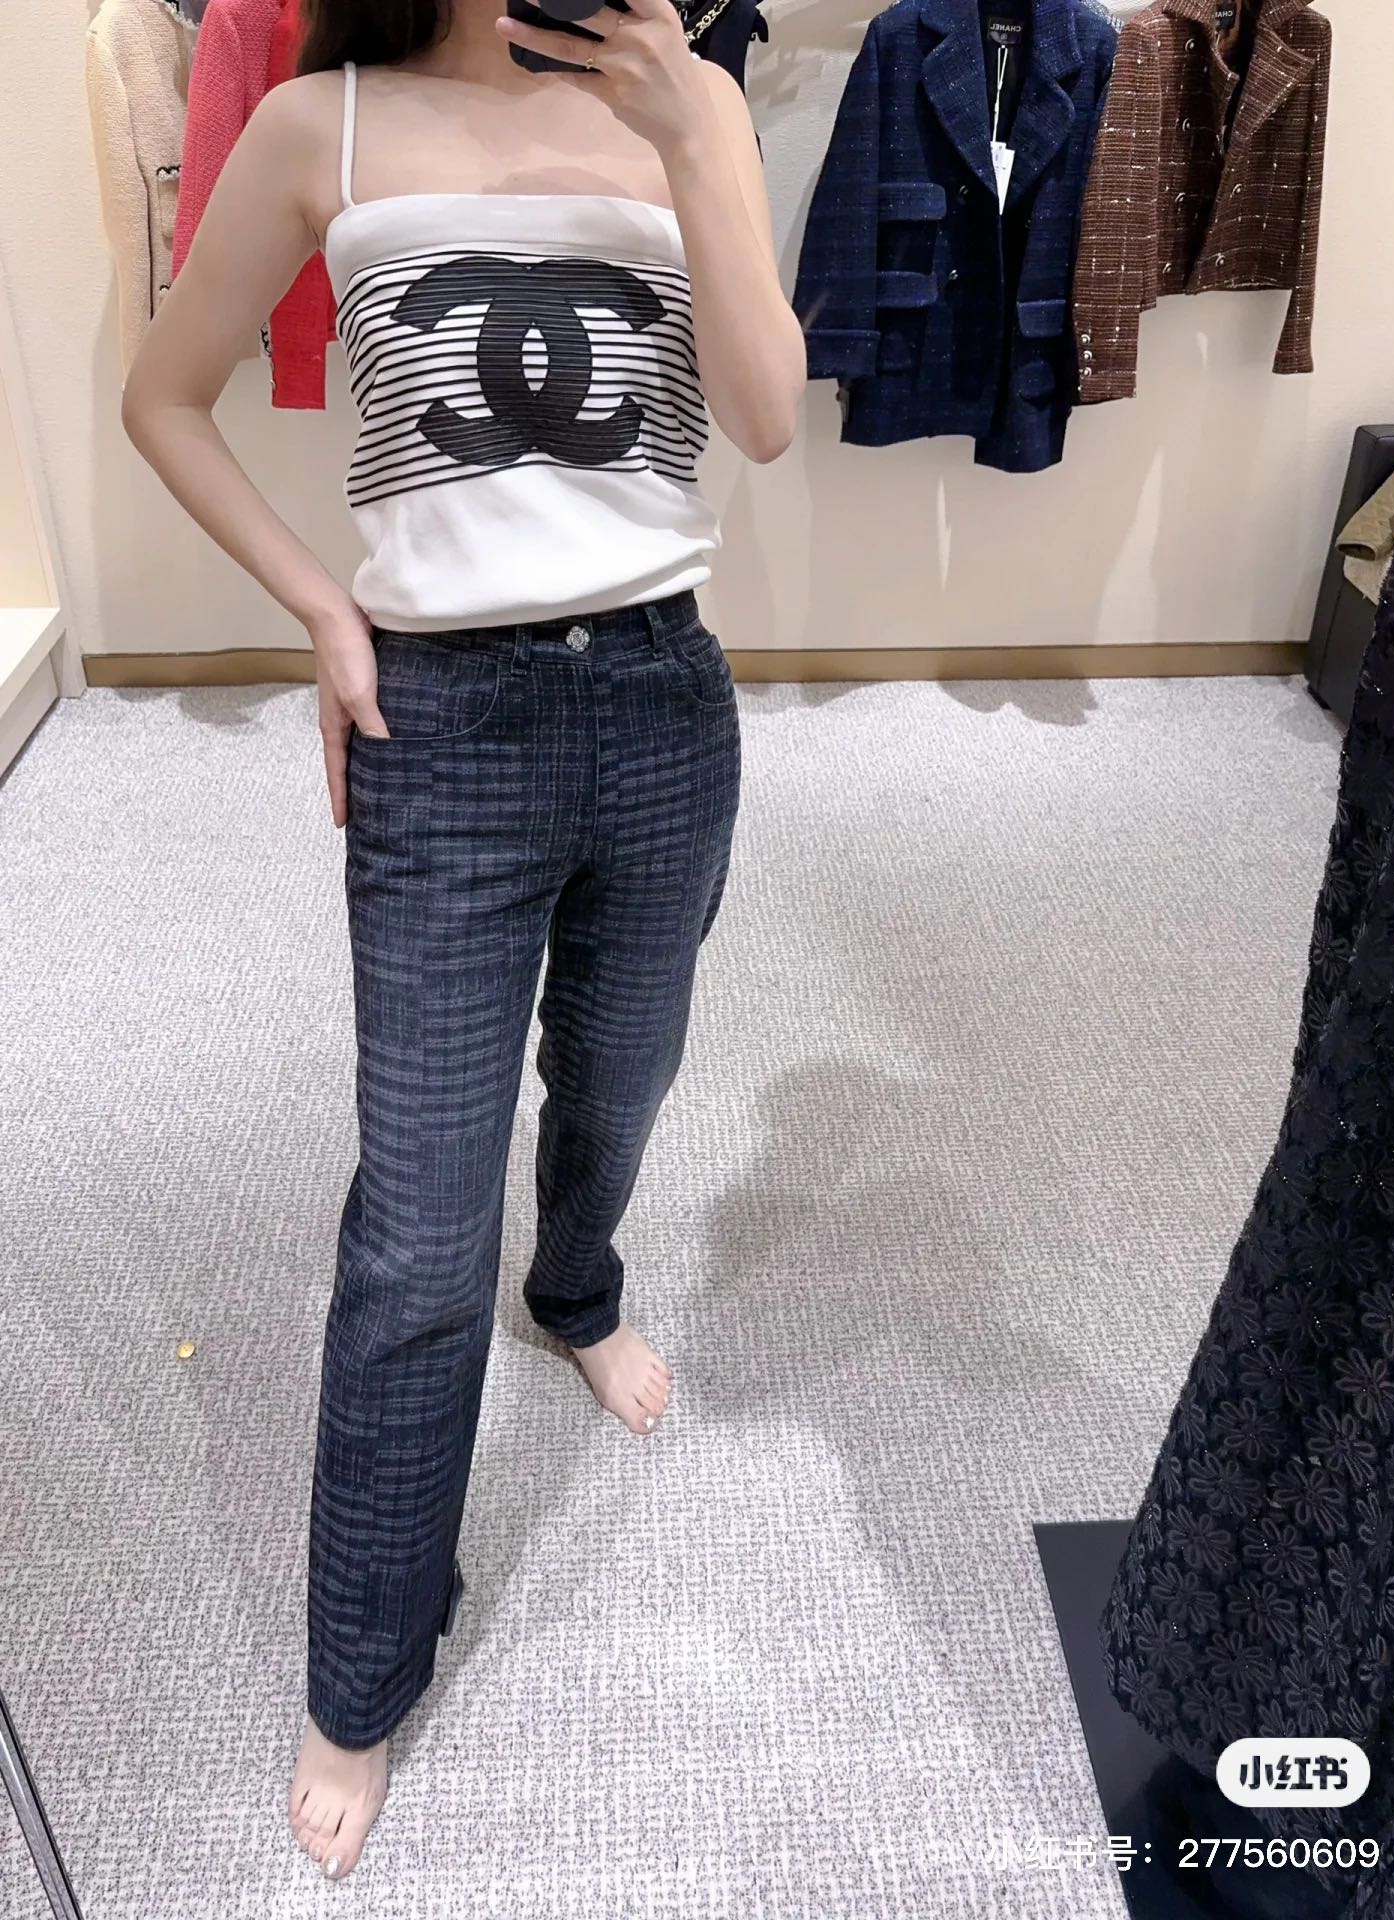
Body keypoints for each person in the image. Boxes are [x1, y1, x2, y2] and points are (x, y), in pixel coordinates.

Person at [120, 0, 804, 1881]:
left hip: (665, 695)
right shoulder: (321, 123)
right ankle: (359, 1679)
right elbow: (162, 396)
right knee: (419, 1233)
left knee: (624, 1076)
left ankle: (575, 1295)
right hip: (443, 722)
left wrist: (697, 133)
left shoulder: (691, 106)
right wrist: (325, 614)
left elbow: (763, 413)